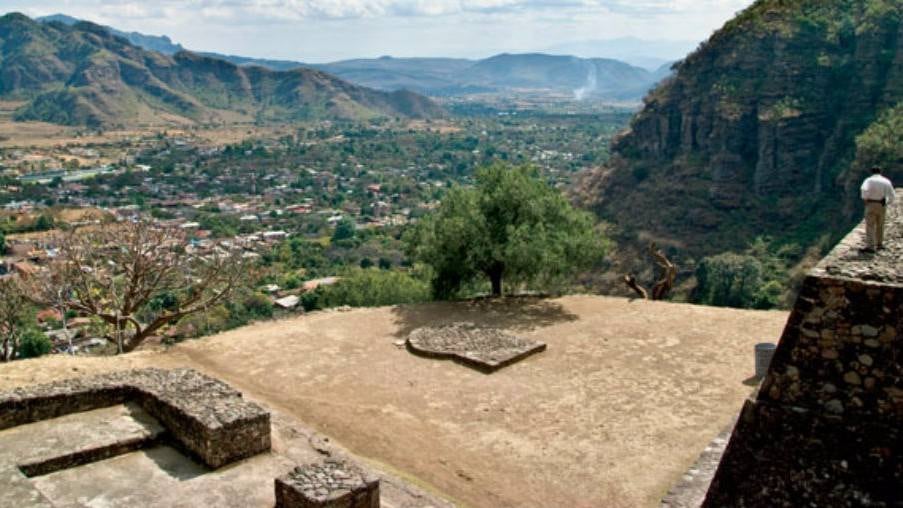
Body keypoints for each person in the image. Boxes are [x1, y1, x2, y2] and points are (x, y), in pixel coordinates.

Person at [860, 166, 895, 252]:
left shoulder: (868, 180)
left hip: (871, 203)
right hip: (881, 204)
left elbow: (864, 189)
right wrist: (887, 202)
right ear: (880, 172)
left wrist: (865, 199)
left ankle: (871, 246)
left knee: (870, 225)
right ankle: (880, 244)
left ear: (871, 172)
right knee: (880, 224)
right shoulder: (886, 181)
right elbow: (892, 195)